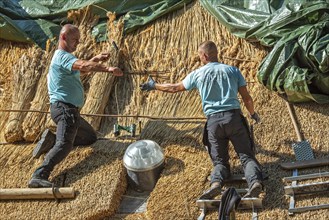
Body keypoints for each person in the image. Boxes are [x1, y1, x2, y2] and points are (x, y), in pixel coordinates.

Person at [140, 41, 263, 198]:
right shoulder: (232, 71)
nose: (199, 59)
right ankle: (255, 183)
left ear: (204, 55)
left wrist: (154, 85)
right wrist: (252, 114)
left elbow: (174, 88)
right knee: (246, 156)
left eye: (199, 56)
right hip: (233, 118)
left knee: (219, 162)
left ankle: (216, 183)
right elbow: (247, 99)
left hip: (213, 123)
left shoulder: (198, 74)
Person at [28, 24, 123, 188]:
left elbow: (82, 71)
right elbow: (84, 66)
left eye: (78, 40)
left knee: (89, 137)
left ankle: (51, 139)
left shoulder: (64, 59)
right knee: (65, 144)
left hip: (70, 111)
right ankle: (39, 174)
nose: (77, 43)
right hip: (65, 110)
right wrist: (108, 69)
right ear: (63, 37)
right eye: (75, 40)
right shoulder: (62, 56)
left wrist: (96, 59)